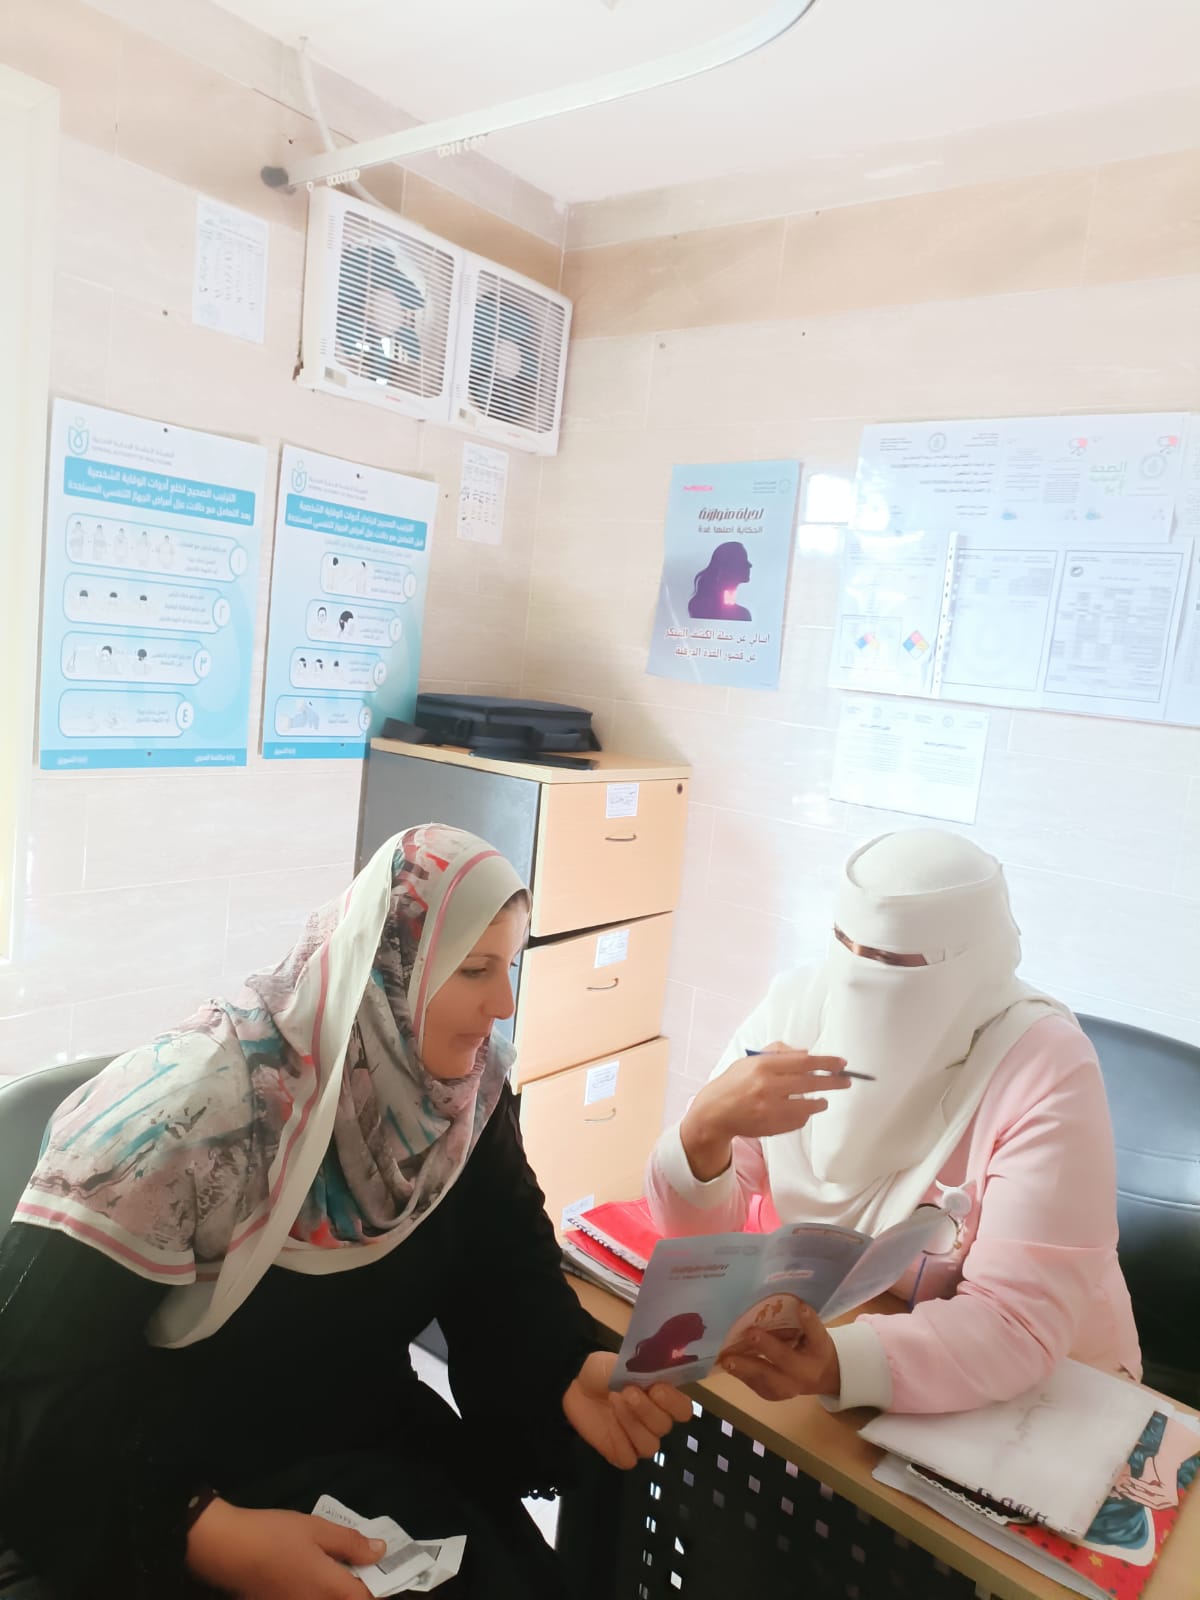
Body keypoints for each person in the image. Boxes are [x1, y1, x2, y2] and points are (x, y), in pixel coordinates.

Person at [0, 825, 691, 1600]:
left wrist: (564, 1368)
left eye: (510, 968)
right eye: (474, 969)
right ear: (389, 969)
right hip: (172, 1480)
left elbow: (506, 1279)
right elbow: (33, 1383)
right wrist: (207, 1535)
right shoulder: (196, 1111)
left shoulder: (461, 1101)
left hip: (363, 1443)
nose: (503, 1005)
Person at [646, 828, 1141, 1415]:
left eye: (893, 960)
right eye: (845, 941)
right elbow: (705, 1247)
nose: (859, 975)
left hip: (1048, 1396)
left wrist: (838, 1363)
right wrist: (704, 1133)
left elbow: (1015, 1322)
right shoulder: (799, 1010)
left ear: (971, 961)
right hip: (853, 1338)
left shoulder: (1044, 1067)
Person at [687, 541, 752, 621]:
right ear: (727, 566)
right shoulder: (741, 614)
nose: (749, 565)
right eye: (742, 561)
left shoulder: (740, 613)